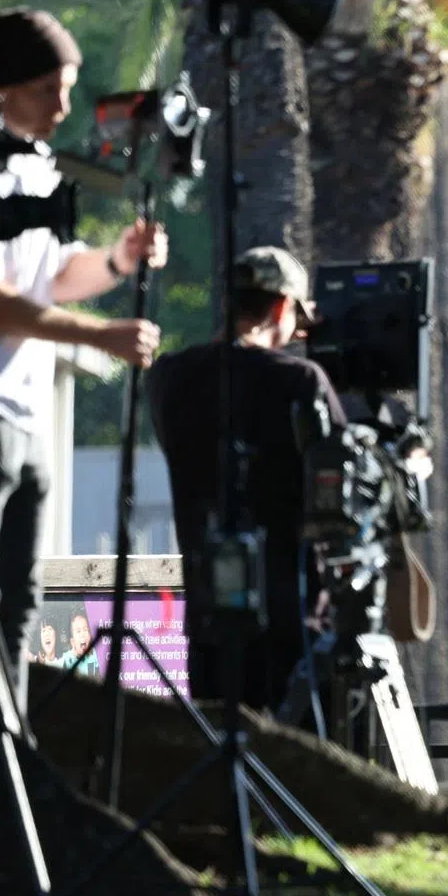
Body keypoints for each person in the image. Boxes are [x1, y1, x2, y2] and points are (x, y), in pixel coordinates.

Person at [0, 7, 166, 693]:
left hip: (25, 415)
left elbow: (53, 276)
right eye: (48, 87)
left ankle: (7, 761)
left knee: (19, 603)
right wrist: (100, 337)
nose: (63, 105)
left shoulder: (41, 171)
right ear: (2, 88)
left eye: (68, 87)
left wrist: (118, 260)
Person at [148, 246, 347, 713]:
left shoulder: (169, 377)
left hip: (207, 619)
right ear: (281, 306)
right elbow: (343, 485)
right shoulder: (302, 380)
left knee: (221, 753)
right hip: (289, 622)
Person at [60, 612, 100, 678]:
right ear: (72, 641)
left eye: (85, 630)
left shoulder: (96, 657)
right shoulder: (66, 660)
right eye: (78, 631)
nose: (82, 634)